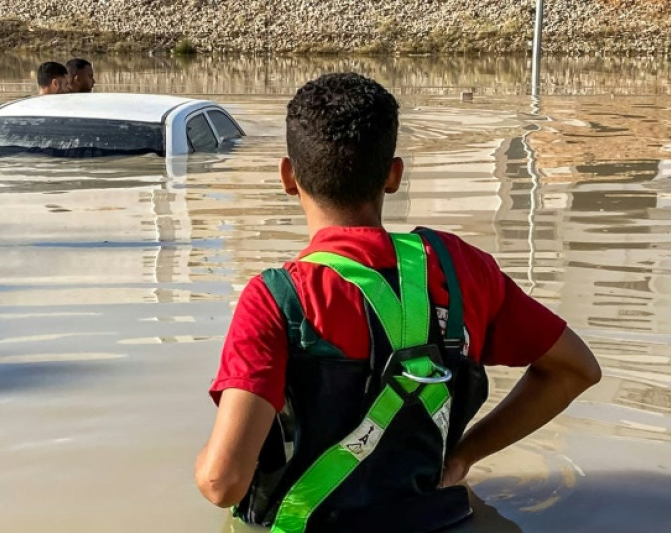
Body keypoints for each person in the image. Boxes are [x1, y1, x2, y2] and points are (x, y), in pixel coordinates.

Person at [195, 72, 601, 533]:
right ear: (394, 176)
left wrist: (203, 460)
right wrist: (465, 455)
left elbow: (222, 482)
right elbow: (577, 369)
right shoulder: (461, 269)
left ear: (288, 177)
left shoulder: (276, 299)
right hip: (437, 520)